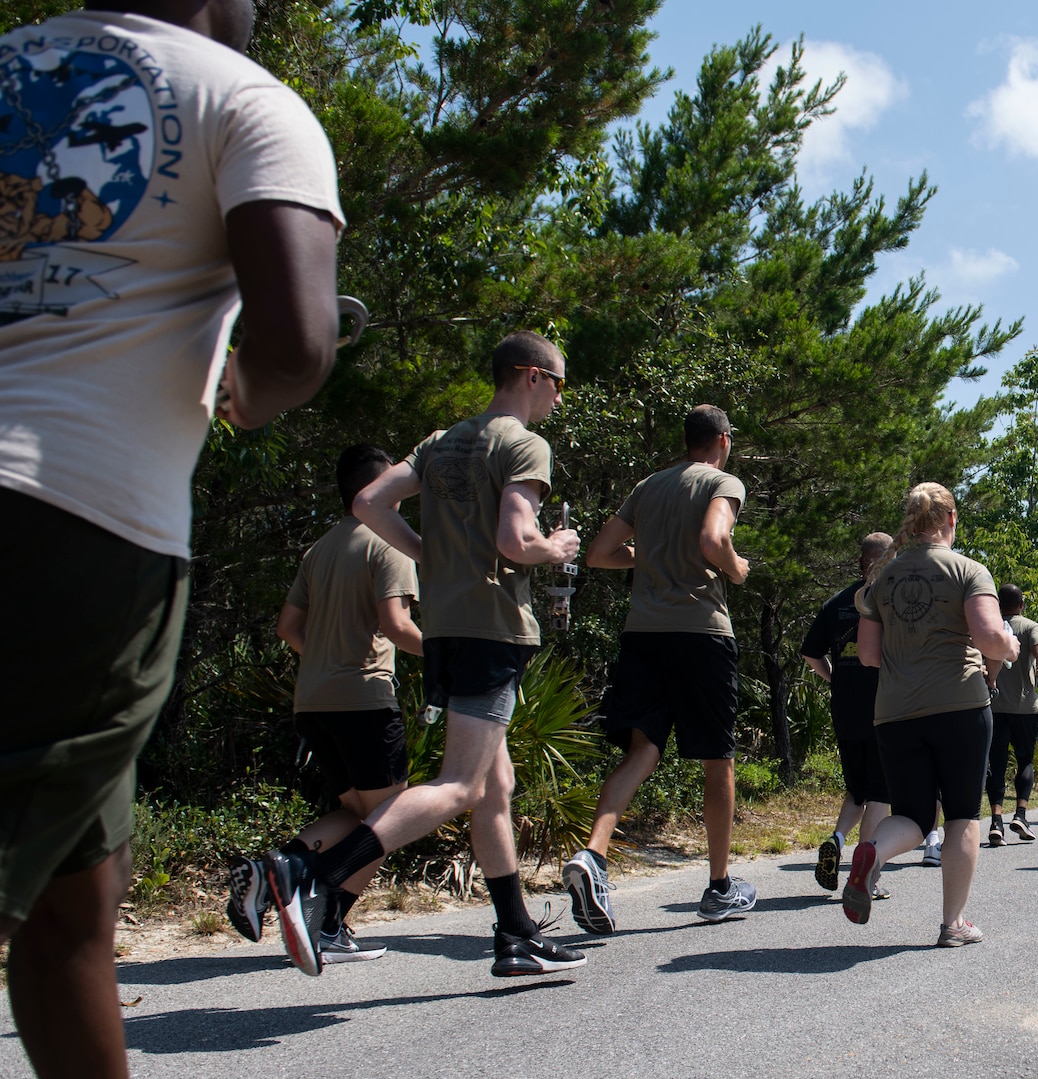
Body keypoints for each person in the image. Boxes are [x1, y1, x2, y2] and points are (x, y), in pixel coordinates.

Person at [0, 0, 342, 1079]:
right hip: (78, 526)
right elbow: (299, 342)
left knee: (74, 890)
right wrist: (241, 393)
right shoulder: (243, 99)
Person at [263, 332, 584, 979]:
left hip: (443, 631)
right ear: (528, 376)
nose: (558, 394)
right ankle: (313, 873)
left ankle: (515, 933)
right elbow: (516, 537)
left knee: (497, 785)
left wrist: (428, 553)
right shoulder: (524, 444)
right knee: (461, 783)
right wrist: (556, 548)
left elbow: (367, 503)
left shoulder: (440, 442)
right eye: (557, 380)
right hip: (493, 628)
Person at [561, 406, 755, 929]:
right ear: (722, 440)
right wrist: (736, 569)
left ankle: (594, 856)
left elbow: (601, 553)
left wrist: (645, 558)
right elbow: (714, 541)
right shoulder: (723, 481)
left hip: (643, 634)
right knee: (717, 758)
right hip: (700, 634)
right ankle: (719, 888)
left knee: (643, 749)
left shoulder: (648, 485)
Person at [227, 446, 421, 963]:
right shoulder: (388, 543)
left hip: (312, 700)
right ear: (372, 492)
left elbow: (288, 628)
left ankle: (276, 869)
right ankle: (323, 914)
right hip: (364, 698)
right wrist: (454, 652)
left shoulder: (320, 548)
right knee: (390, 818)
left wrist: (326, 660)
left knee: (356, 813)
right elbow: (398, 627)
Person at [840, 483, 1018, 946]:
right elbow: (989, 638)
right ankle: (952, 924)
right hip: (959, 705)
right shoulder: (969, 570)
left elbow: (868, 654)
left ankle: (872, 852)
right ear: (951, 520)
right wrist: (1011, 646)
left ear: (912, 521)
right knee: (961, 815)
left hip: (895, 713)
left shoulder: (882, 576)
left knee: (915, 817)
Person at [802, 533, 897, 892]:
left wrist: (835, 678)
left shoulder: (836, 602)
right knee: (881, 794)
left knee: (858, 789)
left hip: (845, 708)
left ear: (860, 562)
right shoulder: (890, 601)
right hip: (884, 708)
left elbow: (811, 653)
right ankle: (866, 875)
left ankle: (838, 839)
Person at [984, 584, 1038, 846]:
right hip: (1024, 707)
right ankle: (1021, 815)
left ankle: (996, 821)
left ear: (999, 605)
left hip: (995, 706)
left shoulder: (990, 627)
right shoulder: (1032, 627)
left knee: (996, 765)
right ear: (1022, 604)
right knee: (1025, 761)